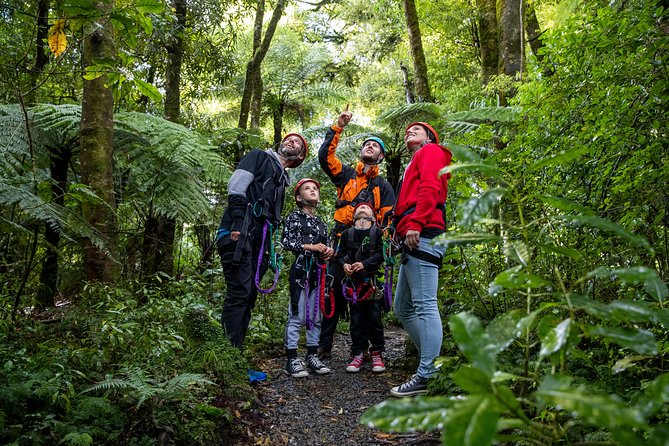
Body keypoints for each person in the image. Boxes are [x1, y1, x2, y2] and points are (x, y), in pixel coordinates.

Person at [317, 106, 395, 365]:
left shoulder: (383, 186)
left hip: (368, 246)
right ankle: (324, 348)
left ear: (381, 156)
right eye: (367, 144)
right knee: (334, 294)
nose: (370, 146)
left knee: (366, 302)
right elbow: (325, 158)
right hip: (341, 243)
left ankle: (367, 351)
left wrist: (376, 252)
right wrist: (337, 126)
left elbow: (387, 219)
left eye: (375, 146)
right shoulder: (347, 175)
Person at [216, 133, 308, 349]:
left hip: (259, 240)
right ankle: (224, 355)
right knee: (239, 293)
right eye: (288, 138)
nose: (290, 141)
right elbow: (236, 186)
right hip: (239, 232)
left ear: (300, 155)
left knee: (249, 296)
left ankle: (234, 354)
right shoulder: (258, 157)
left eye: (297, 142)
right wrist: (238, 224)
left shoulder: (281, 180)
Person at [390, 122, 452, 397]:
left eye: (418, 129)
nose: (409, 132)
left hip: (423, 232)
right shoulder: (415, 160)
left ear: (430, 137)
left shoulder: (431, 151)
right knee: (402, 308)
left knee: (425, 305)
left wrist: (415, 222)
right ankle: (432, 365)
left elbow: (430, 187)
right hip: (413, 235)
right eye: (407, 131)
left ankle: (427, 373)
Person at [281, 178, 334, 377]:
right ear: (298, 197)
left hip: (318, 273)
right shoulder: (294, 217)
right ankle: (292, 359)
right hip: (301, 271)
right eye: (307, 188)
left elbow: (327, 246)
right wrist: (310, 247)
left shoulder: (321, 223)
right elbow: (287, 241)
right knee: (297, 315)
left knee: (316, 316)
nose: (312, 191)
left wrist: (327, 251)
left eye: (315, 188)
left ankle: (312, 355)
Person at [336, 203, 386, 373]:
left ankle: (377, 352)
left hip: (372, 283)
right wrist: (345, 265)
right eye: (359, 208)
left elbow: (382, 254)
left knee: (374, 319)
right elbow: (340, 254)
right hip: (354, 286)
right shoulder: (346, 234)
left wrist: (364, 264)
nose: (363, 208)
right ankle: (358, 352)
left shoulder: (378, 233)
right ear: (354, 215)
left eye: (367, 208)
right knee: (356, 320)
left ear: (373, 216)